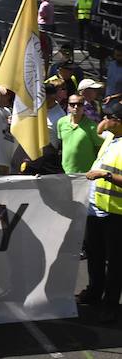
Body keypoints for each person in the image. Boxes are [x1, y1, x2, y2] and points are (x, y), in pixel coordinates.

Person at [84, 132, 122, 323]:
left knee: (115, 263)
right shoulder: (110, 138)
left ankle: (111, 305)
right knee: (94, 255)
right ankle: (94, 292)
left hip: (116, 213)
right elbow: (99, 131)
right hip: (95, 209)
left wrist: (106, 175)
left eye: (110, 117)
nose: (104, 120)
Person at [57, 93, 103, 174]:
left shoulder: (92, 126)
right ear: (68, 106)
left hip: (87, 172)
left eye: (79, 104)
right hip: (65, 171)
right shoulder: (61, 122)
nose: (76, 107)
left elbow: (100, 149)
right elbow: (61, 144)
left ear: (84, 106)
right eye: (72, 104)